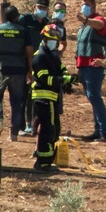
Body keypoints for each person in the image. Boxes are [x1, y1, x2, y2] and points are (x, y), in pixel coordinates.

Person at [0, 5, 33, 145]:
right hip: (18, 71)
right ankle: (14, 134)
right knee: (16, 101)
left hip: (1, 70)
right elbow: (29, 51)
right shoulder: (24, 31)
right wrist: (30, 70)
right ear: (17, 17)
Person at [73, 0, 106, 142]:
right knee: (92, 98)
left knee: (95, 97)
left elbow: (100, 26)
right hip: (83, 67)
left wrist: (85, 20)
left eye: (87, 4)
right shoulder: (83, 26)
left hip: (94, 67)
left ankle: (105, 131)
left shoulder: (98, 20)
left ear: (94, 7)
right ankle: (98, 131)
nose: (84, 7)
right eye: (83, 4)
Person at [29, 23, 65, 170]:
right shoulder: (39, 57)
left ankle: (47, 159)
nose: (53, 43)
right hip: (43, 98)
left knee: (55, 128)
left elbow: (61, 69)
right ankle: (43, 162)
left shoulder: (53, 54)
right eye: (51, 40)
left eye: (55, 41)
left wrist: (69, 78)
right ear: (44, 38)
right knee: (47, 129)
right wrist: (61, 80)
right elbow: (45, 79)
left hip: (52, 98)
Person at [16, 0, 51, 136]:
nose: (41, 10)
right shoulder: (25, 20)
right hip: (25, 62)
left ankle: (33, 124)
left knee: (36, 95)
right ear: (34, 7)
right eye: (39, 7)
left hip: (41, 63)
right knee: (23, 94)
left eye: (44, 8)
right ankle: (20, 125)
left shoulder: (47, 24)